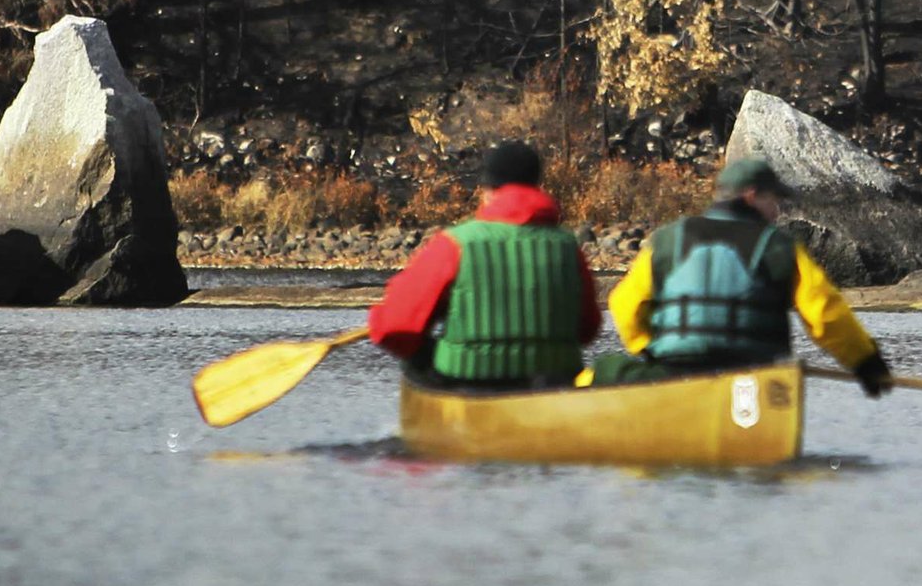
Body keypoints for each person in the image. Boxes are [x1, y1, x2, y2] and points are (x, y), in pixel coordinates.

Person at [597, 156, 893, 396]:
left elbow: (624, 305)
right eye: (773, 201)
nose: (777, 212)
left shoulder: (667, 240)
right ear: (752, 196)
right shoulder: (779, 247)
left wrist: (645, 348)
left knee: (599, 373)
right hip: (752, 377)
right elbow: (825, 315)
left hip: (674, 373)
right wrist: (866, 362)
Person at [366, 142, 600, 390]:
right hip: (551, 384)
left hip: (470, 383)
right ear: (537, 186)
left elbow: (393, 328)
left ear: (487, 190)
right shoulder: (567, 246)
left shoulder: (455, 244)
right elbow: (587, 329)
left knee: (418, 358)